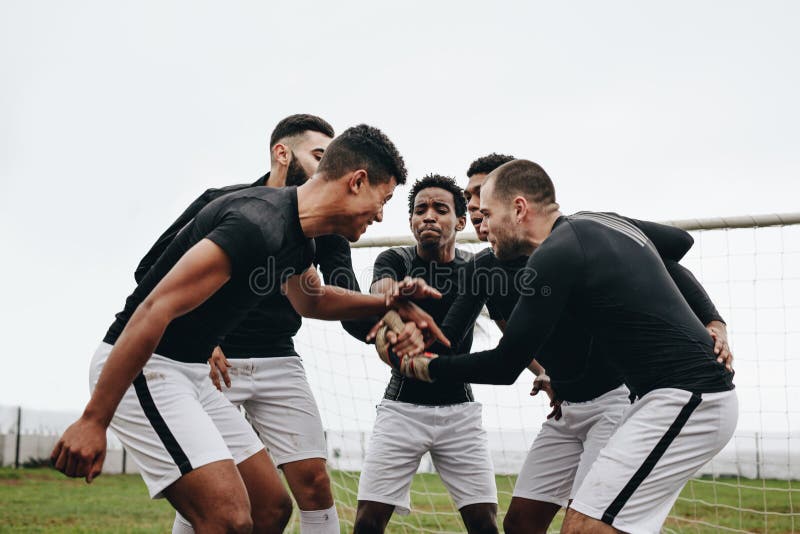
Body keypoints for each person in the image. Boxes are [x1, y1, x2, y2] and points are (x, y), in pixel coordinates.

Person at [51, 124, 447, 534]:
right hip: (147, 368)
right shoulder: (254, 223)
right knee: (227, 518)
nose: (380, 214)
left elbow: (311, 300)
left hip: (189, 374)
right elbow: (154, 308)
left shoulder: (300, 238)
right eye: (382, 200)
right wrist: (94, 420)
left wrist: (388, 301)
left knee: (271, 506)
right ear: (357, 181)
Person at [389, 159, 737, 534]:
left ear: (519, 208)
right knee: (535, 523)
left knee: (585, 526)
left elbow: (506, 365)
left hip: (689, 396)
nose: (482, 223)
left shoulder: (553, 256)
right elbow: (677, 242)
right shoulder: (594, 223)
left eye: (487, 211)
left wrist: (425, 368)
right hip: (640, 400)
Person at [134, 114, 382, 534]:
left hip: (279, 360)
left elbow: (339, 297)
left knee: (315, 484)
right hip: (211, 365)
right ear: (281, 153)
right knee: (211, 496)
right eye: (319, 156)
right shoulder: (225, 203)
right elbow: (150, 271)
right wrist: (198, 338)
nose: (328, 169)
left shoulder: (330, 226)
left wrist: (387, 321)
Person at [354, 175, 498, 534]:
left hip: (460, 413)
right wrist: (396, 294)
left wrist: (543, 371)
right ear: (411, 222)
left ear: (461, 222)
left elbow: (509, 325)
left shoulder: (475, 268)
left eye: (440, 209)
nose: (428, 216)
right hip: (401, 409)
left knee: (484, 523)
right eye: (420, 210)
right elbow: (381, 288)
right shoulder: (395, 259)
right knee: (367, 523)